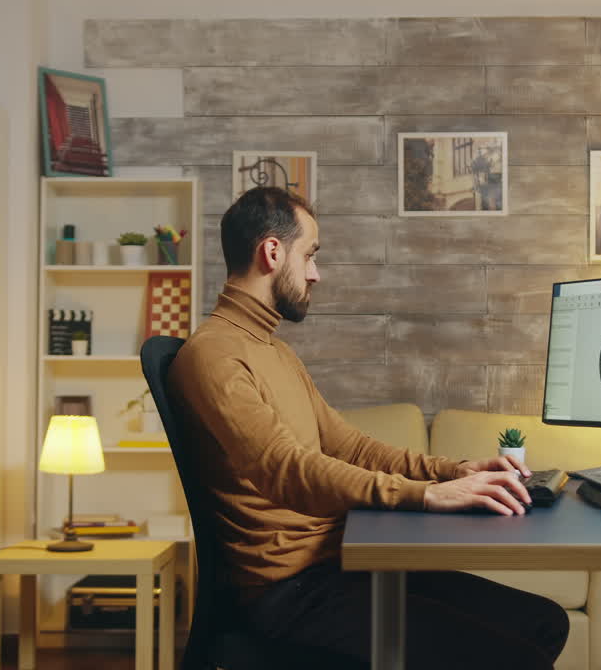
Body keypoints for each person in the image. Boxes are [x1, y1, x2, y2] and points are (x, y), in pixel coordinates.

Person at [169, 186, 569, 667]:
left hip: (339, 565)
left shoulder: (274, 350)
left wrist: (451, 472)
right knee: (514, 657)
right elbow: (285, 469)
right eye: (310, 255)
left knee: (544, 622)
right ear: (272, 252)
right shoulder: (212, 356)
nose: (316, 274)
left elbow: (347, 445)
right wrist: (421, 495)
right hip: (290, 593)